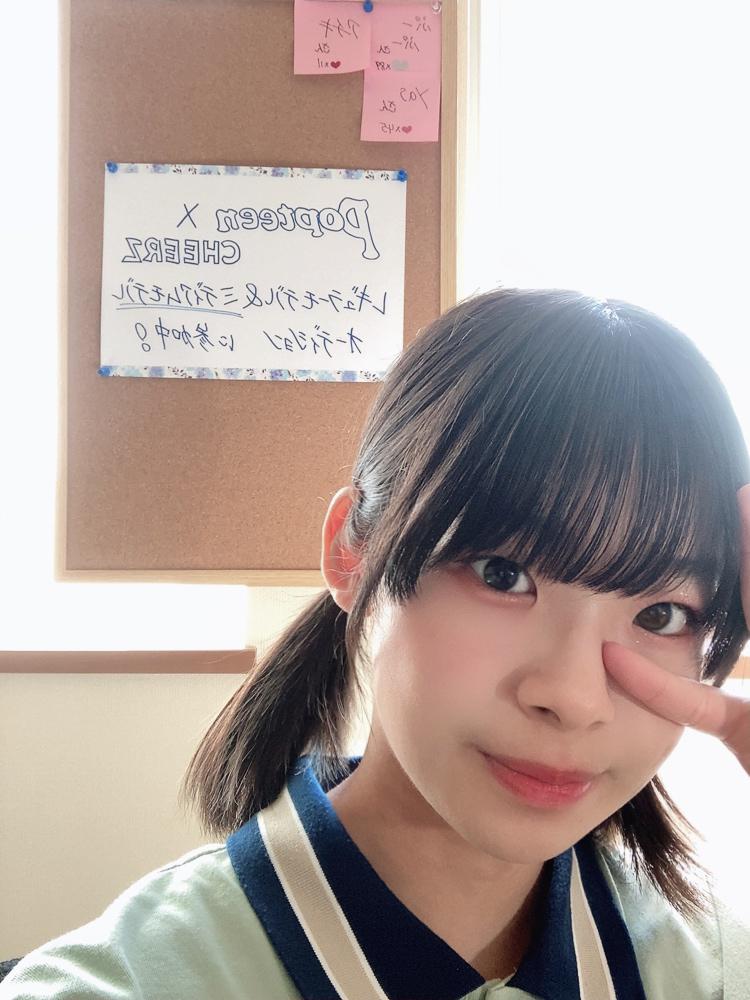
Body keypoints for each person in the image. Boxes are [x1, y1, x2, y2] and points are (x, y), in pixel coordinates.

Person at [3, 286, 750, 1000]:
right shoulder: (120, 984)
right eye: (502, 573)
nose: (575, 698)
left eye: (662, 614)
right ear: (351, 554)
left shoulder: (716, 966)